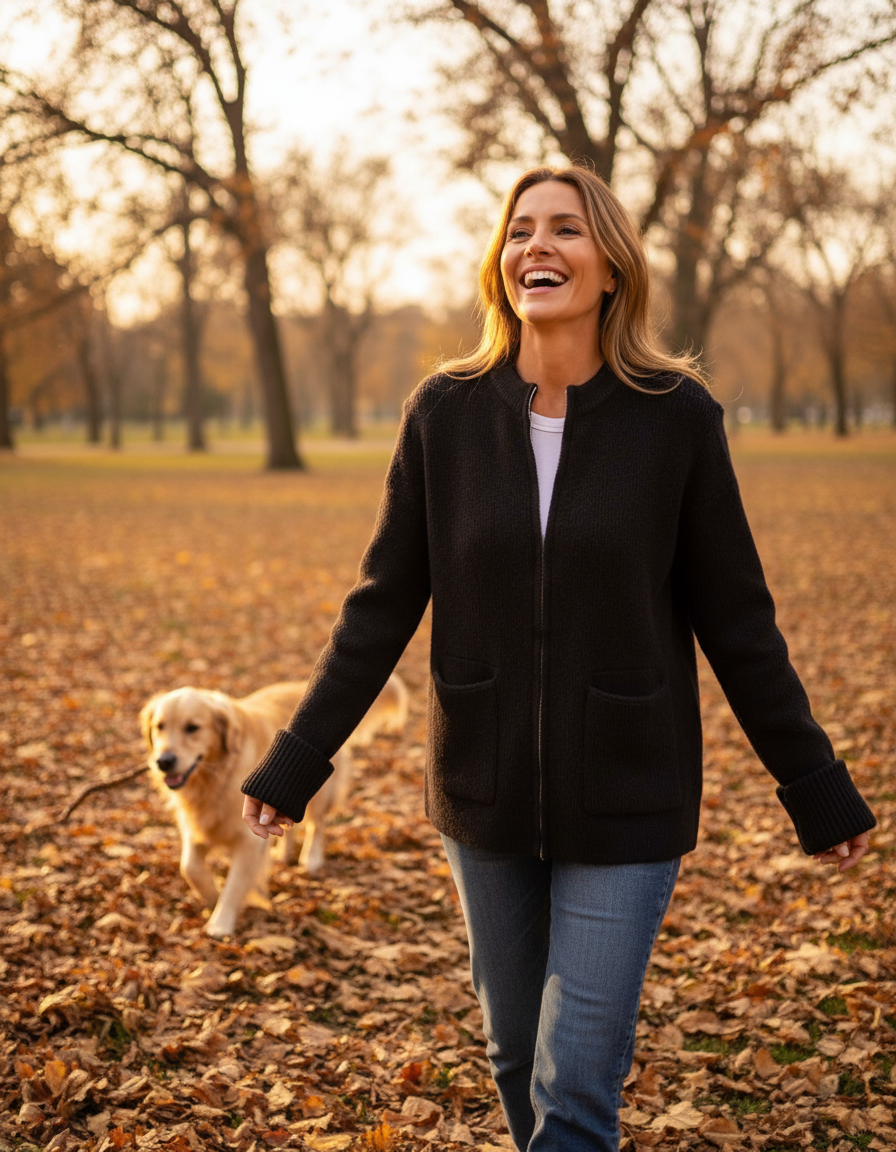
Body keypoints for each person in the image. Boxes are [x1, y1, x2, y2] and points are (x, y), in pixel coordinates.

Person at [241, 164, 875, 1152]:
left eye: (566, 230)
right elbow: (379, 609)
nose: (538, 245)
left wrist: (811, 782)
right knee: (511, 1058)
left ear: (610, 267)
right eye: (520, 230)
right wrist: (298, 760)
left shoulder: (675, 420)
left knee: (573, 1086)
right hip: (482, 792)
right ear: (500, 267)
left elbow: (737, 621)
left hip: (626, 794)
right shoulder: (442, 415)